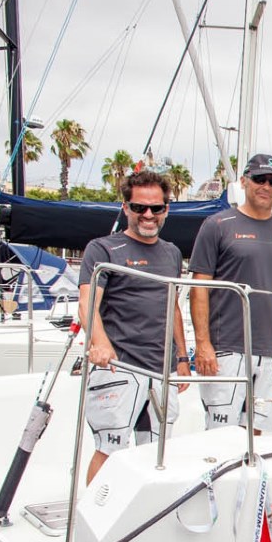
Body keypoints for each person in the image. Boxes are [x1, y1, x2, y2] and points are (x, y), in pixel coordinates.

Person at [77, 169, 189, 484]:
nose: (148, 215)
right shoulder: (103, 249)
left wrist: (182, 359)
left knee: (155, 451)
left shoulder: (172, 253)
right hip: (119, 366)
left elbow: (173, 306)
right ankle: (94, 520)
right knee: (109, 448)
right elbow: (87, 304)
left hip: (160, 370)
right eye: (139, 207)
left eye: (157, 207)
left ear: (167, 209)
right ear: (126, 208)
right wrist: (100, 344)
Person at [189, 153, 272, 433]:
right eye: (259, 179)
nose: (266, 186)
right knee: (221, 435)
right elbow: (199, 287)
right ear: (244, 182)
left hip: (271, 352)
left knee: (259, 433)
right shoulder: (217, 225)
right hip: (227, 348)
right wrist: (203, 344)